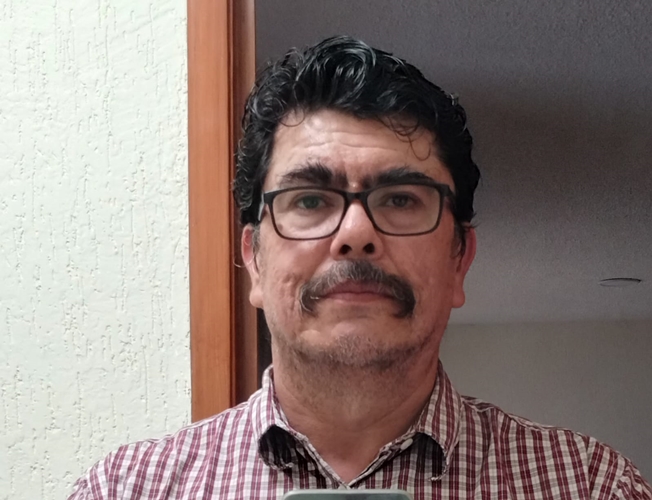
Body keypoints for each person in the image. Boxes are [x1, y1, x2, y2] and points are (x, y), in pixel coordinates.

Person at [68, 35, 651, 499]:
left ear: (460, 260)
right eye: (309, 200)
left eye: (400, 199)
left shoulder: (592, 486)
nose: (355, 234)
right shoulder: (124, 490)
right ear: (253, 261)